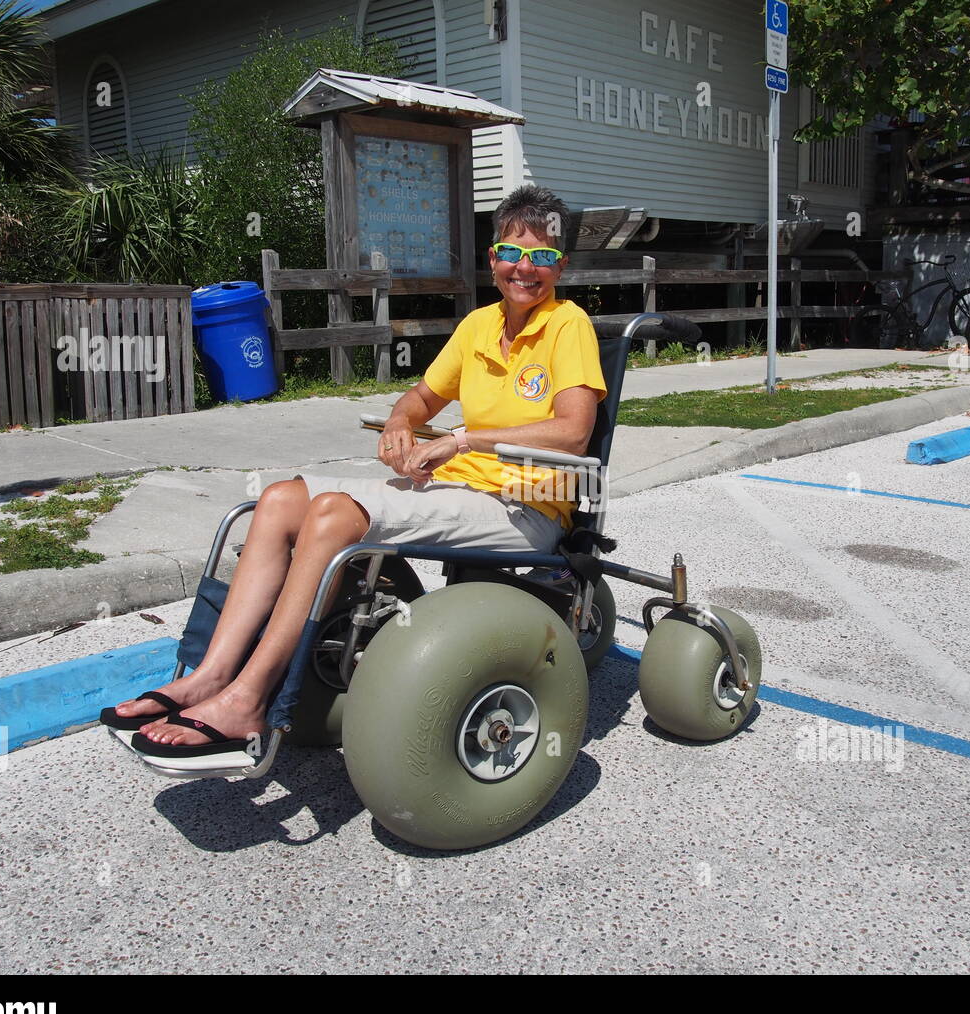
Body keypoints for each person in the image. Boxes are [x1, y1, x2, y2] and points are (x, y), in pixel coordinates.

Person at [101, 185, 607, 758]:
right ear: (492, 258)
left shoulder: (569, 325)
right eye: (513, 253)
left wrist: (463, 439)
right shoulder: (478, 326)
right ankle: (208, 675)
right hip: (455, 488)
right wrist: (399, 423)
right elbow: (420, 397)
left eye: (542, 257)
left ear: (560, 265)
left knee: (334, 514)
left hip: (524, 508)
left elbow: (572, 432)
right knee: (279, 500)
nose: (525, 269)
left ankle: (249, 699)